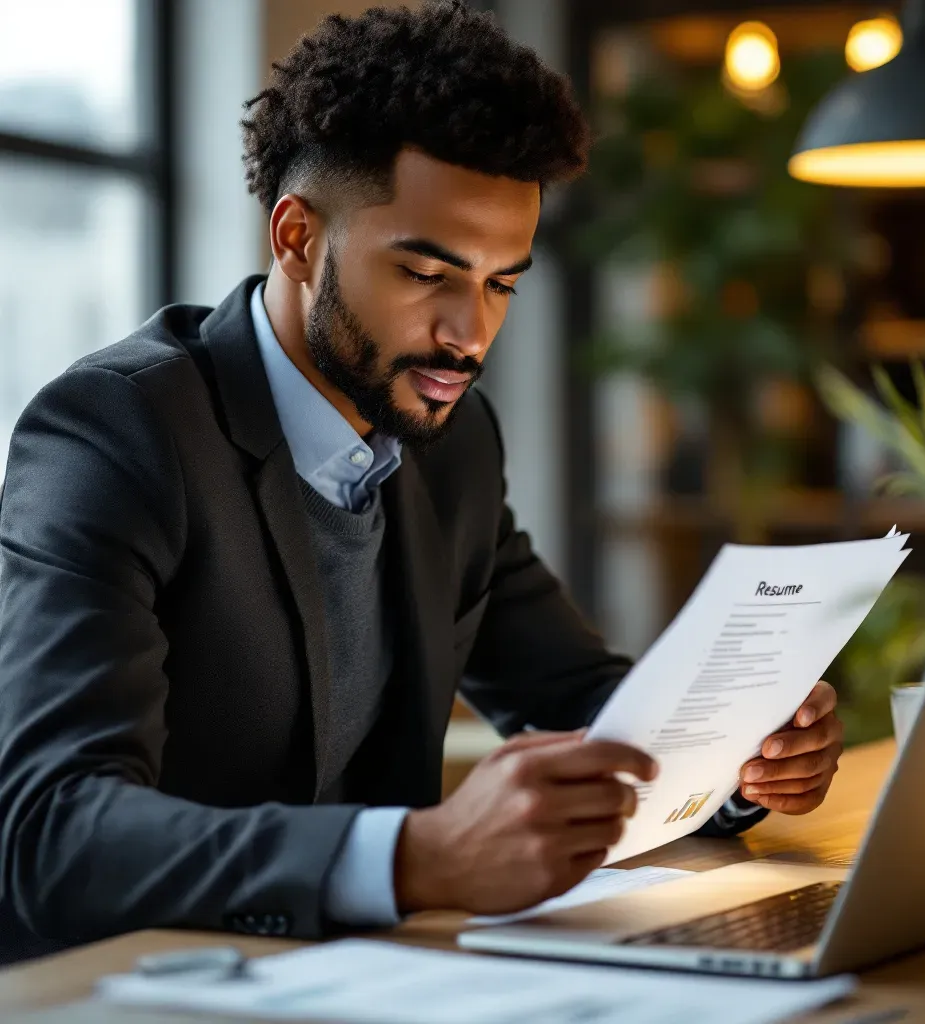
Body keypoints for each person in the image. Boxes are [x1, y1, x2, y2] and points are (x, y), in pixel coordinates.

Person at [0, 0, 843, 963]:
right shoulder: (118, 431)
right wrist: (416, 857)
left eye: (501, 282)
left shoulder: (452, 441)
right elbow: (54, 835)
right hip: (117, 984)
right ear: (297, 238)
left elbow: (574, 694)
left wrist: (740, 755)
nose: (470, 336)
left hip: (366, 977)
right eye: (425, 273)